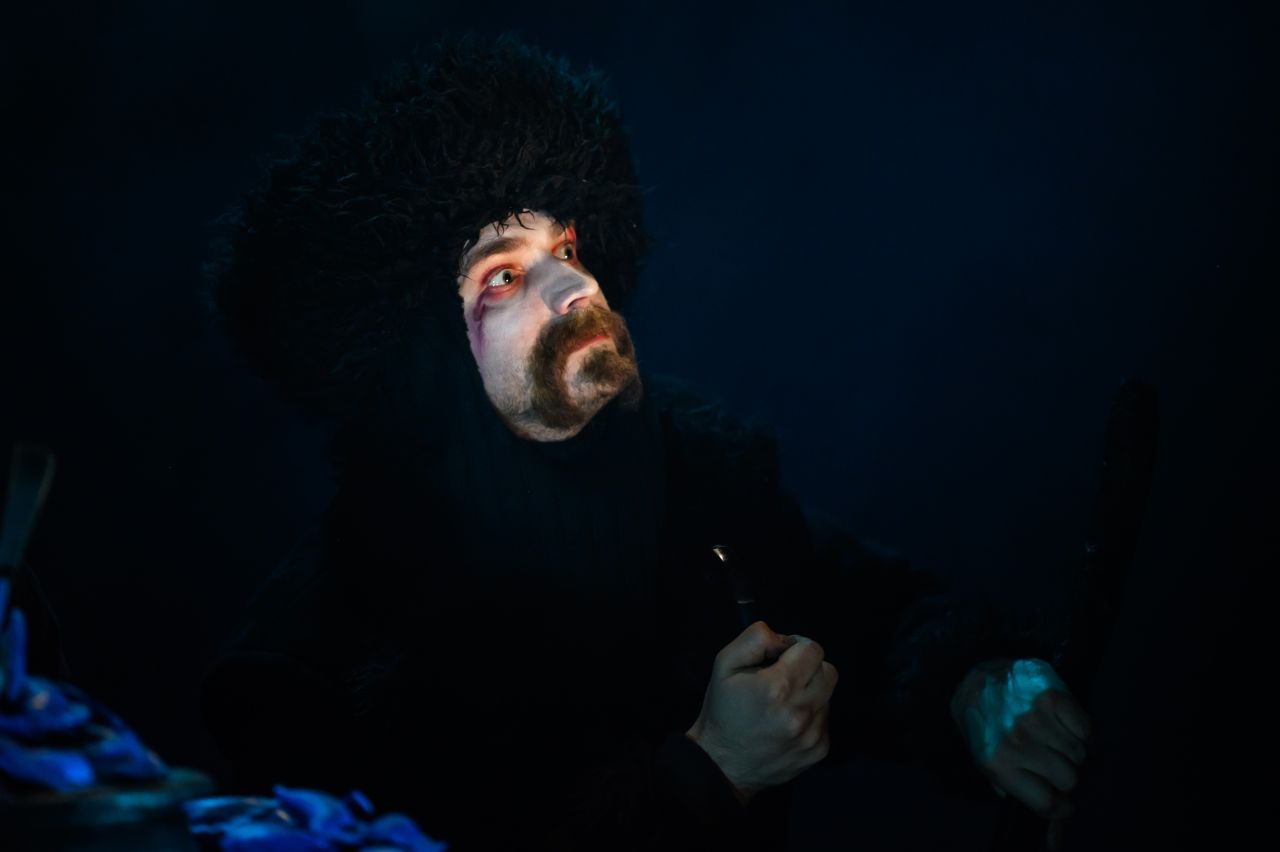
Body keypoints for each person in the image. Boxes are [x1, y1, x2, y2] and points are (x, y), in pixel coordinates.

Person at [201, 32, 1090, 852]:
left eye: (567, 246)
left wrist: (974, 686)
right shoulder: (317, 657)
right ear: (421, 349)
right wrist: (705, 778)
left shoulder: (703, 478)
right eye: (504, 275)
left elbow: (874, 615)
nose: (574, 287)